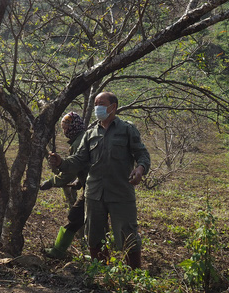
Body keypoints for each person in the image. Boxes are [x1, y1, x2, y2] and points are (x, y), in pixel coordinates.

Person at [48, 92, 150, 269]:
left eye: (101, 103)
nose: (98, 107)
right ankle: (101, 273)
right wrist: (62, 163)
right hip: (94, 194)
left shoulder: (127, 129)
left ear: (113, 107)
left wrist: (140, 169)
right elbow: (79, 159)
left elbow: (142, 153)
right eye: (95, 104)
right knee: (94, 236)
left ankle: (135, 275)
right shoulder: (90, 134)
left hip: (121, 193)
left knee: (128, 235)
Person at [39, 111, 89, 259]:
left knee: (76, 216)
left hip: (95, 189)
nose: (65, 130)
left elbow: (71, 170)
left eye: (67, 127)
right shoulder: (81, 139)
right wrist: (80, 182)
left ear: (75, 126)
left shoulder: (79, 142)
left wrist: (51, 182)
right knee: (83, 218)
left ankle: (58, 251)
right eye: (63, 127)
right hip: (94, 186)